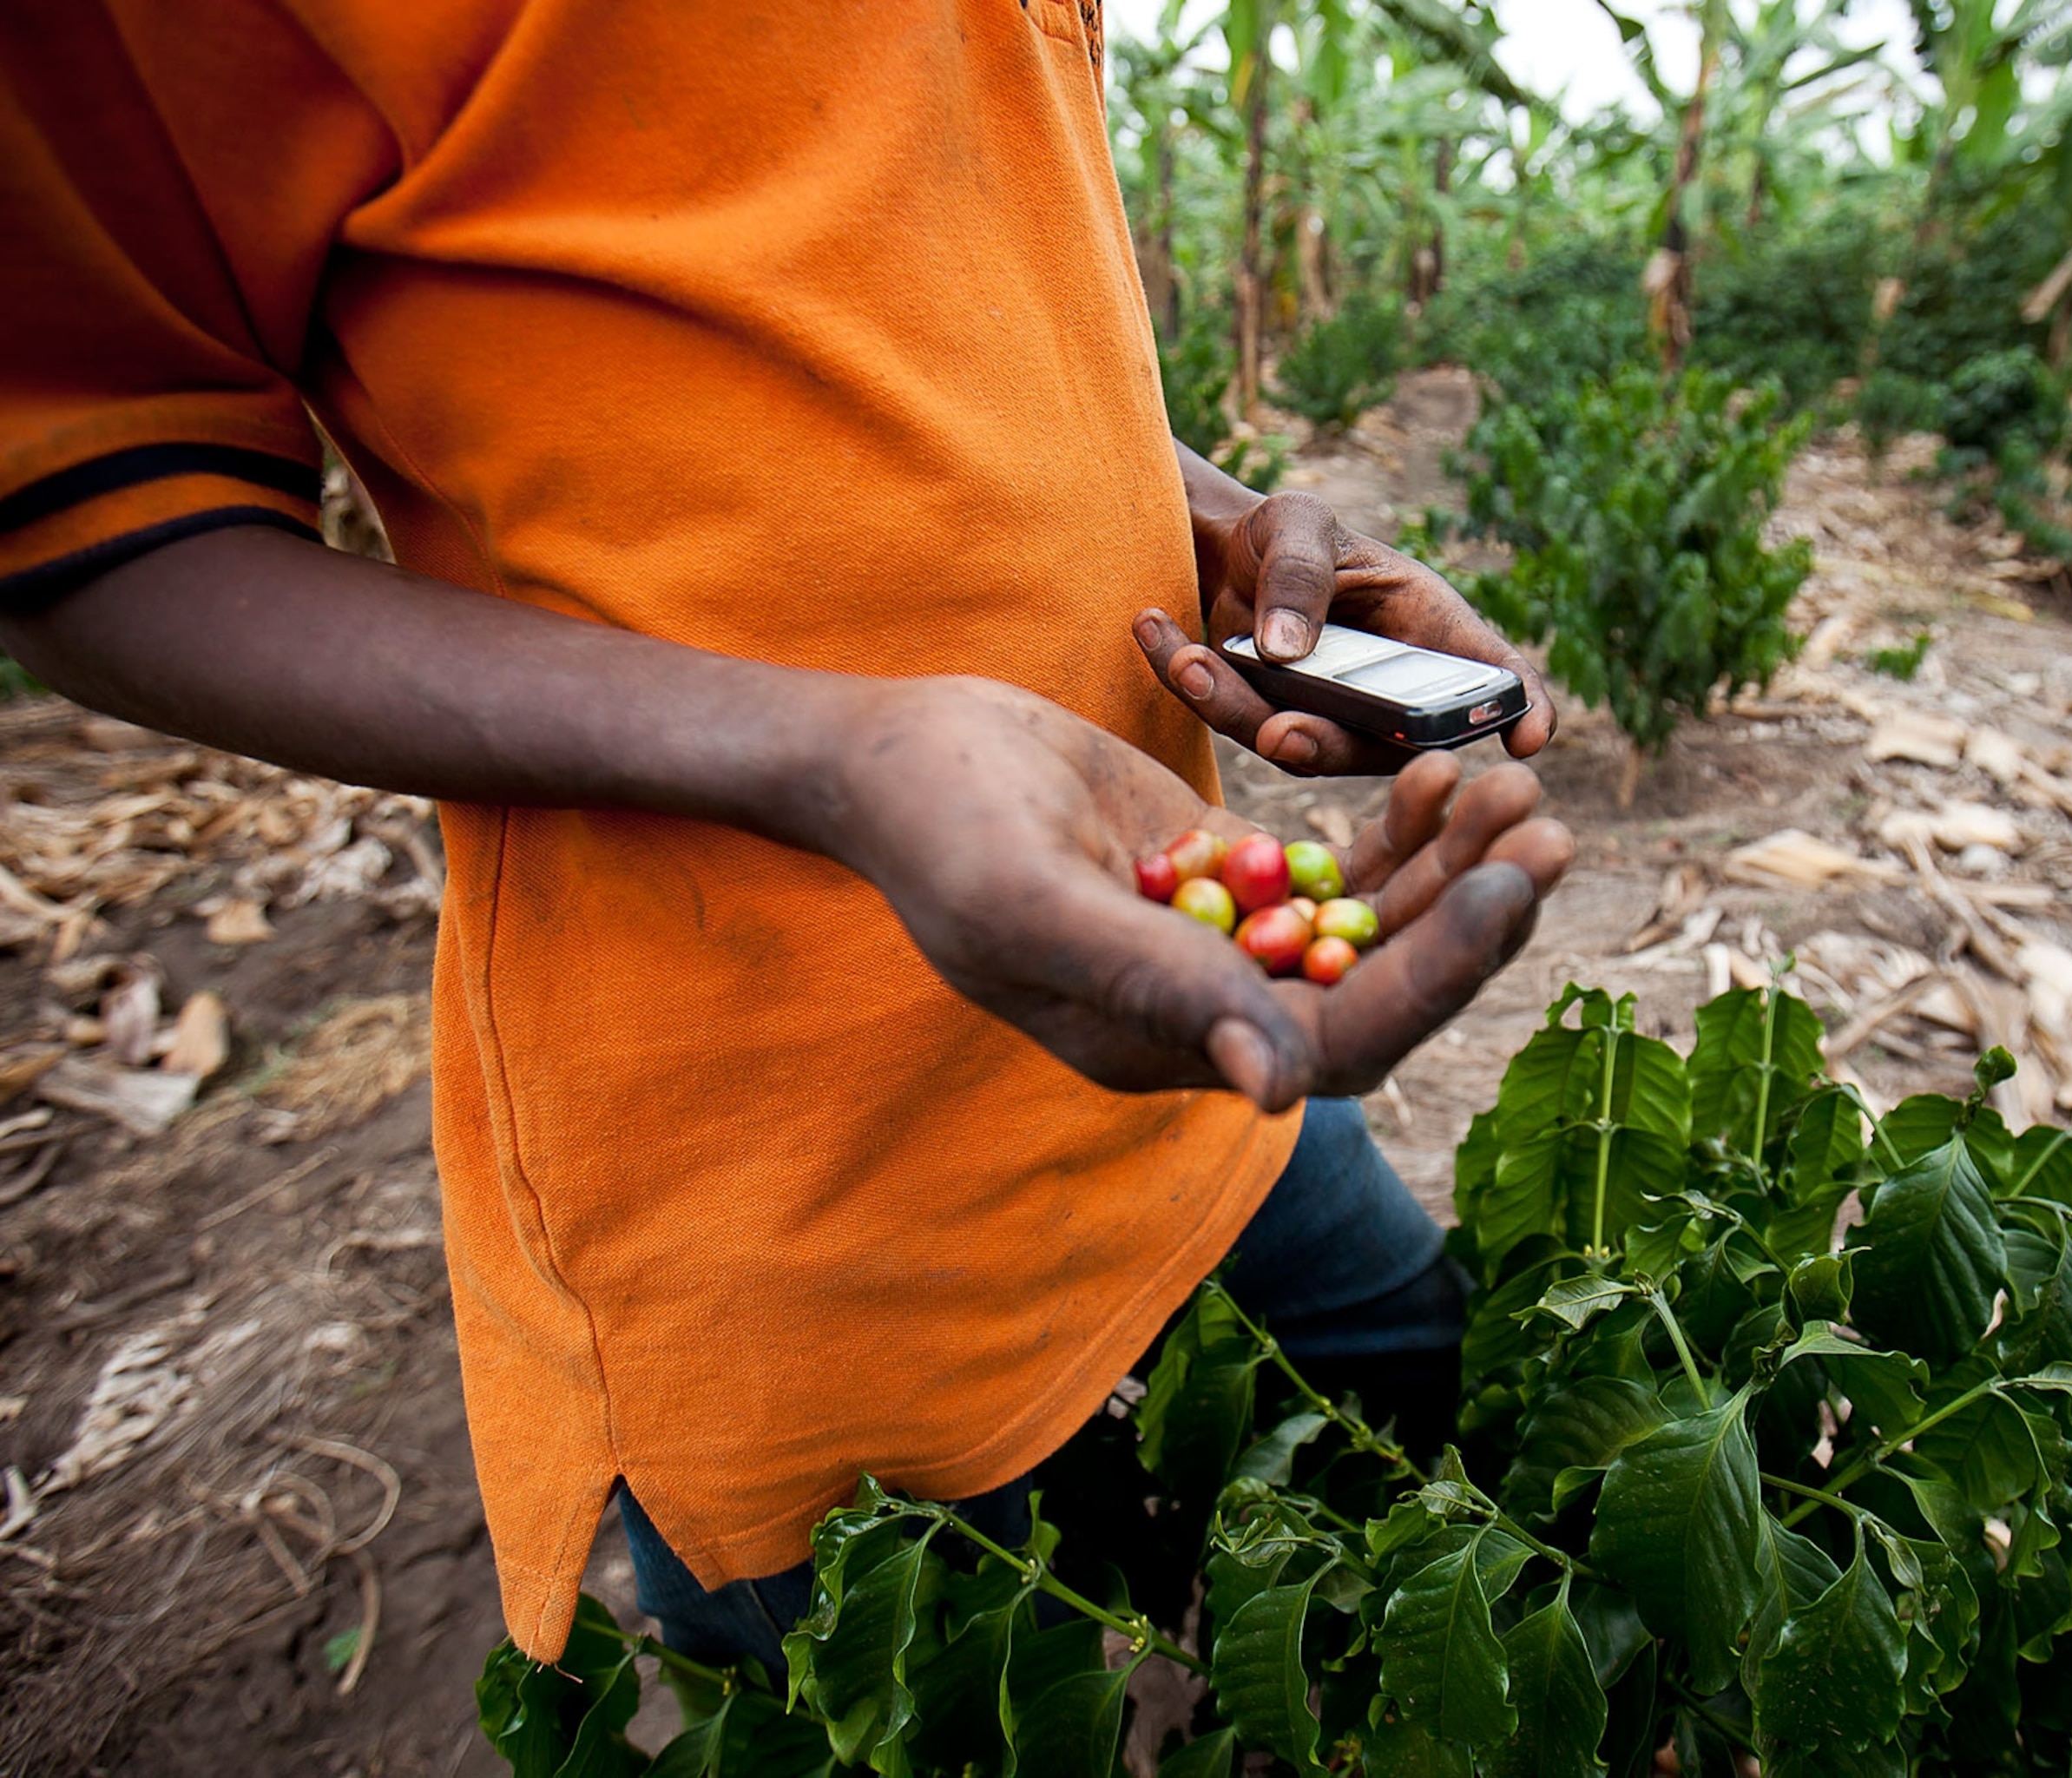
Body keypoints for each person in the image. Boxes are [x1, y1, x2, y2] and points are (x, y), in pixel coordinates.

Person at [0, 0, 1570, 1675]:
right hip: (777, 1173)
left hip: (1178, 1008)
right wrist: (831, 754)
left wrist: (1203, 512)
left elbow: (887, 286)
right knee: (918, 1680)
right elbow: (99, 524)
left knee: (1433, 1429)